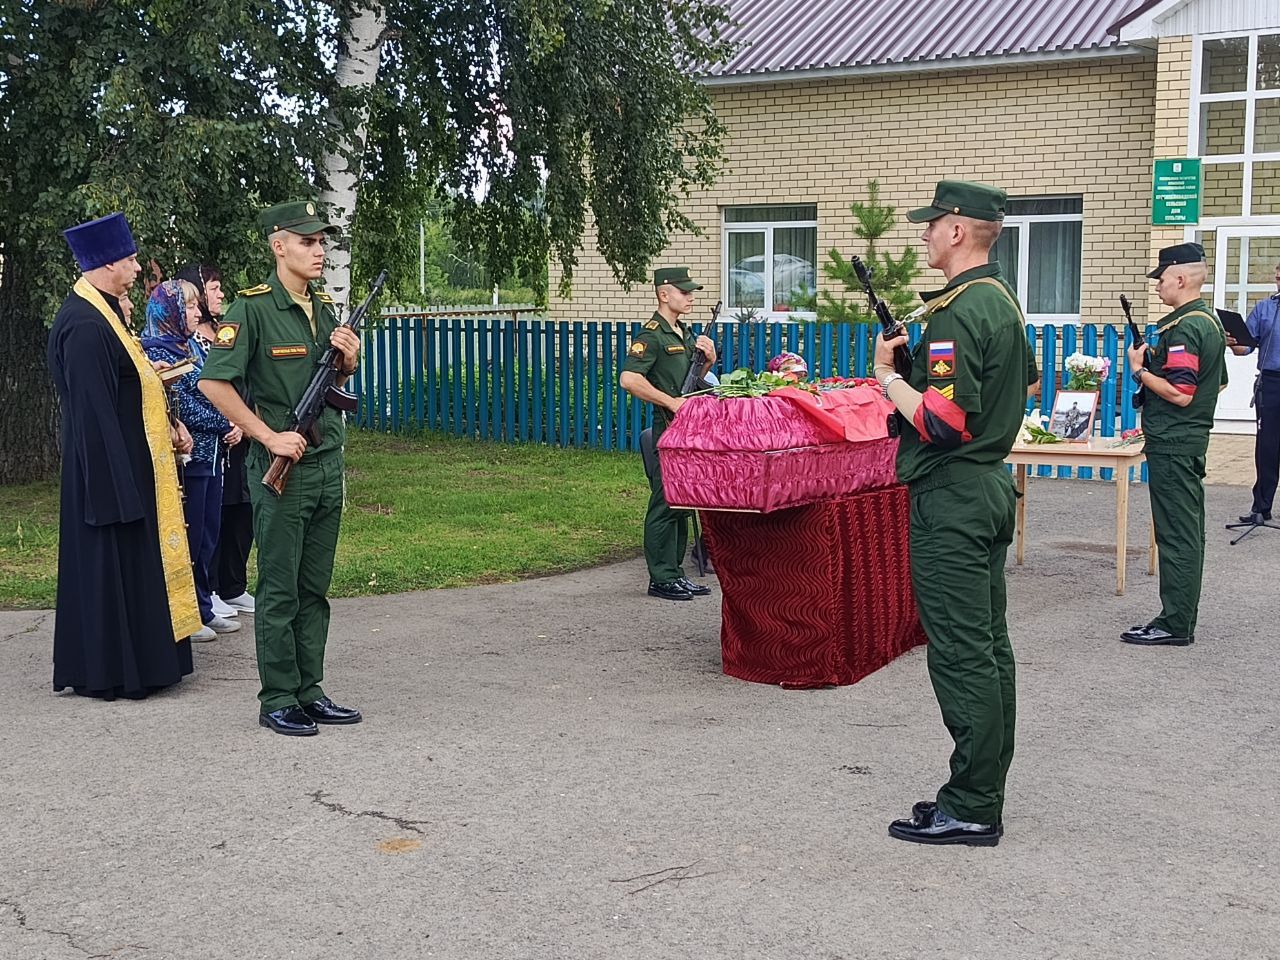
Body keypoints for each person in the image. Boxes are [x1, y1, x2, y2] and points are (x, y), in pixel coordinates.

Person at [872, 180, 1027, 847]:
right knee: (987, 649)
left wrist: (888, 379)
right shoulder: (1000, 301)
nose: (925, 233)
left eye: (933, 224)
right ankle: (980, 789)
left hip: (954, 496)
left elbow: (941, 419)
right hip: (986, 486)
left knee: (963, 654)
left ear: (959, 229)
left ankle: (972, 804)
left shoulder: (959, 312)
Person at [199, 200, 362, 736]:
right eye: (307, 242)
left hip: (325, 466)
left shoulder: (325, 309)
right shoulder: (251, 309)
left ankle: (309, 690)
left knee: (314, 588)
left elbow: (333, 387)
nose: (318, 251)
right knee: (279, 589)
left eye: (321, 243)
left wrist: (348, 360)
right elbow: (213, 383)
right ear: (279, 246)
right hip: (281, 472)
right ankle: (277, 698)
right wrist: (267, 435)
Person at [47, 212, 202, 698]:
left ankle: (146, 662)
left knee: (134, 571)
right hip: (110, 477)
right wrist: (118, 491)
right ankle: (115, 671)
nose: (138, 269)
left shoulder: (103, 313)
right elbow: (93, 416)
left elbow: (122, 387)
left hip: (131, 465)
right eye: (131, 260)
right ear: (106, 263)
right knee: (110, 568)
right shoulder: (85, 325)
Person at [1122, 243, 1227, 646]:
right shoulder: (1208, 321)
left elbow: (1182, 393)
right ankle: (1177, 617)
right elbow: (1215, 383)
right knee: (1185, 531)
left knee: (1177, 534)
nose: (1159, 286)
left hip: (1174, 442)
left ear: (1181, 278)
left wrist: (1139, 371)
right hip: (1187, 440)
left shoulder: (1185, 327)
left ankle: (1175, 623)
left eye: (1162, 278)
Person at [141, 279, 242, 641]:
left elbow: (217, 388)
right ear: (167, 311)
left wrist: (232, 422)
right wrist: (227, 421)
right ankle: (186, 613)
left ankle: (203, 605)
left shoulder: (191, 347)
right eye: (187, 307)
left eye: (196, 305)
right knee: (191, 537)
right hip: (190, 460)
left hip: (213, 456)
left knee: (208, 536)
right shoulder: (158, 353)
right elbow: (186, 406)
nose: (196, 312)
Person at [618, 266, 717, 601]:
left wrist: (708, 362)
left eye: (691, 292)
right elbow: (629, 380)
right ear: (664, 293)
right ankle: (660, 577)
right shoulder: (652, 335)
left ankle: (674, 573)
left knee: (682, 503)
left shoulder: (683, 333)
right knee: (665, 503)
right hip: (667, 430)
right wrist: (670, 402)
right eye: (684, 291)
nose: (690, 297)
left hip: (688, 430)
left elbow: (691, 379)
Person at [178, 263, 256, 617]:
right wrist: (227, 421)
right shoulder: (191, 343)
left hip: (242, 431)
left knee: (243, 508)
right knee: (213, 516)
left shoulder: (228, 330)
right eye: (213, 288)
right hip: (212, 440)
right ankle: (209, 589)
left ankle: (233, 584)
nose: (220, 294)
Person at [1227, 260, 1280, 524]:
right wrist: (1233, 342)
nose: (1279, 281)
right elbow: (1246, 347)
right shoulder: (1266, 308)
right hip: (1270, 383)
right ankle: (1261, 506)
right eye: (1278, 276)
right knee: (1266, 448)